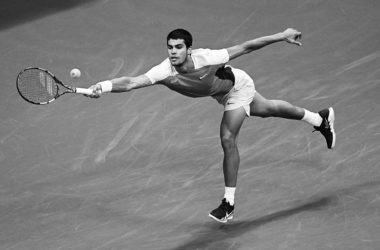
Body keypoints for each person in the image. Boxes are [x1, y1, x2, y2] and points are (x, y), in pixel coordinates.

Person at [86, 28, 336, 223]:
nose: (173, 52)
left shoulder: (207, 58)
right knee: (268, 109)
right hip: (221, 94)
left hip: (238, 86)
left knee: (228, 138)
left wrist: (282, 36)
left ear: (189, 49)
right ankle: (320, 119)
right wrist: (104, 86)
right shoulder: (163, 70)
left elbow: (247, 47)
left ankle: (228, 204)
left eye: (179, 47)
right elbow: (131, 82)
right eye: (170, 47)